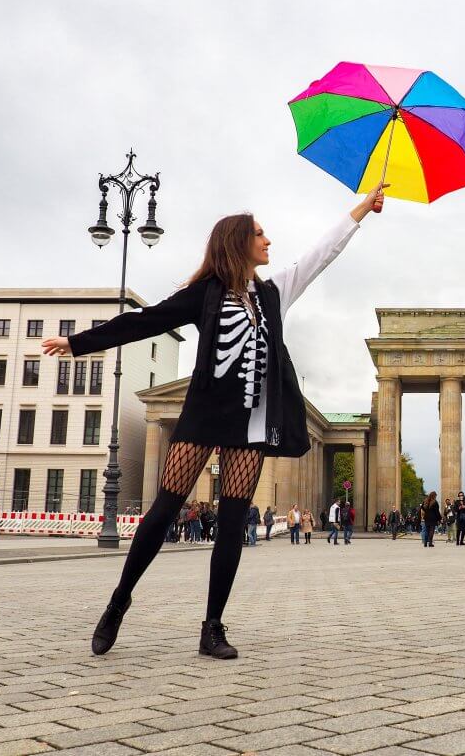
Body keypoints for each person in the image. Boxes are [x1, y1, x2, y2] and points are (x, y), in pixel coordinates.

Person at [47, 184, 387, 659]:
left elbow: (320, 254)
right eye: (260, 234)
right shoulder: (204, 294)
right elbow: (145, 320)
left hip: (250, 421)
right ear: (238, 242)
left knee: (231, 525)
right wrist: (79, 343)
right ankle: (118, 602)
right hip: (204, 414)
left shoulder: (274, 292)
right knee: (164, 510)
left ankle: (212, 627)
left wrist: (361, 211)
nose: (269, 242)